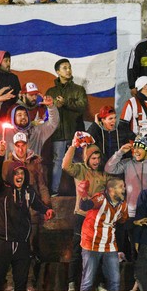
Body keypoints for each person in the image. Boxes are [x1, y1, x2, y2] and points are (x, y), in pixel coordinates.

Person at [0, 144, 54, 291]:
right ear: (11, 175)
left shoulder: (28, 191)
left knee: (21, 284)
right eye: (16, 173)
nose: (19, 177)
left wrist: (47, 210)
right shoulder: (3, 189)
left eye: (22, 174)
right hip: (3, 243)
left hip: (22, 244)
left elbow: (37, 204)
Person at [62, 137, 109, 291]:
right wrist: (73, 146)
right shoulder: (80, 169)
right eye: (93, 158)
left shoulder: (103, 173)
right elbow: (65, 165)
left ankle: (100, 284)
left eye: (98, 158)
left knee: (99, 250)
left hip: (98, 217)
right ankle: (71, 283)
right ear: (87, 158)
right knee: (77, 250)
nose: (96, 161)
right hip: (82, 216)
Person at [46, 58, 88, 196]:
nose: (68, 70)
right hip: (58, 132)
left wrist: (66, 103)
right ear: (58, 72)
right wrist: (53, 107)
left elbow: (82, 107)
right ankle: (54, 191)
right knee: (57, 161)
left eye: (69, 67)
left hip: (75, 132)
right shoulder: (51, 91)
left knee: (79, 162)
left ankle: (83, 191)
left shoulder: (78, 89)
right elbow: (47, 112)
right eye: (64, 68)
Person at [79, 177, 129, 291]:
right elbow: (86, 205)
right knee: (88, 281)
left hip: (109, 245)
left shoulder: (123, 205)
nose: (124, 189)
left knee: (115, 280)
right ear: (111, 190)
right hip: (91, 243)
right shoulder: (101, 198)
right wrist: (83, 195)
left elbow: (122, 222)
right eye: (121, 186)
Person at [0, 88, 59, 159]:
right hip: (12, 168)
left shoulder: (37, 132)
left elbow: (53, 123)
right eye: (19, 115)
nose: (23, 117)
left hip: (33, 168)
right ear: (13, 118)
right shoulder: (5, 132)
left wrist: (51, 107)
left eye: (25, 114)